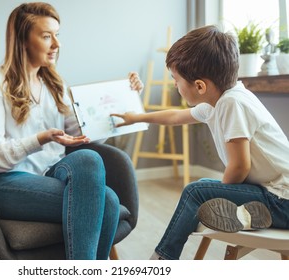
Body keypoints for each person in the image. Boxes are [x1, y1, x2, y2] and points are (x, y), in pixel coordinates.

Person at [0, 2, 143, 260]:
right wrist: (39, 139)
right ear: (22, 40)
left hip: (49, 175)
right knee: (107, 202)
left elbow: (82, 133)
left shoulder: (55, 84)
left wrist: (125, 102)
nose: (57, 44)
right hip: (6, 182)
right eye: (46, 36)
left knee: (90, 161)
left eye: (57, 35)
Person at [111, 25, 289, 260]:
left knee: (196, 191)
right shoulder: (219, 100)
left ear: (200, 86)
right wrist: (136, 117)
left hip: (281, 200)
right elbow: (175, 116)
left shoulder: (231, 104)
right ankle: (246, 216)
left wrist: (219, 194)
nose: (175, 85)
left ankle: (162, 260)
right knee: (204, 186)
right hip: (269, 193)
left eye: (176, 79)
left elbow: (239, 166)